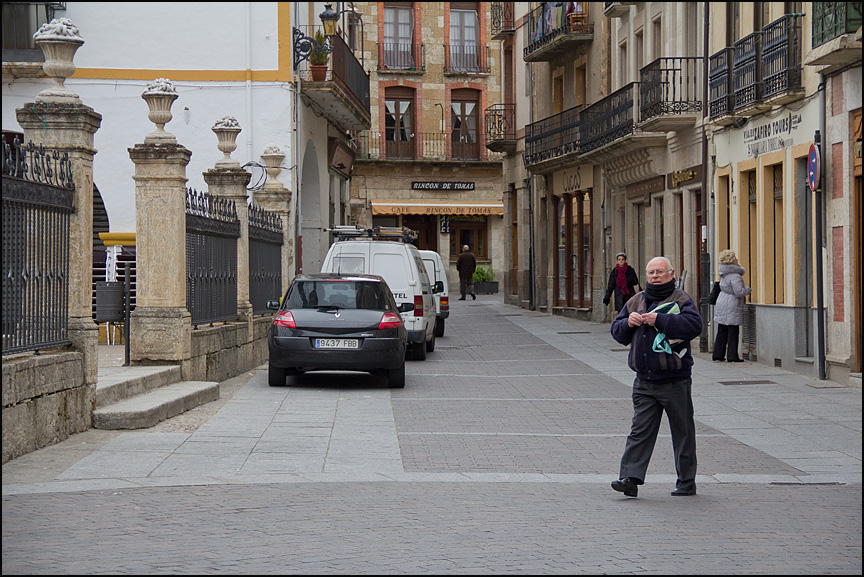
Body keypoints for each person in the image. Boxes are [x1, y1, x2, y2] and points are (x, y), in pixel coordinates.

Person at [610, 256, 703, 498]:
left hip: (675, 380)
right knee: (639, 431)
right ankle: (629, 479)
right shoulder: (636, 300)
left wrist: (660, 320)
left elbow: (694, 326)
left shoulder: (681, 298)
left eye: (660, 272)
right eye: (651, 272)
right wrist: (627, 323)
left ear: (671, 274)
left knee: (683, 433)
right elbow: (617, 333)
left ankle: (686, 482)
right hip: (644, 381)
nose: (655, 276)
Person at [712, 249, 751, 363]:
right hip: (732, 303)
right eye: (735, 258)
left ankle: (718, 354)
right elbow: (739, 292)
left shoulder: (724, 274)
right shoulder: (735, 276)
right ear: (732, 261)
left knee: (722, 330)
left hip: (722, 301)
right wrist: (747, 290)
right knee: (733, 331)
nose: (737, 260)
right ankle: (732, 355)